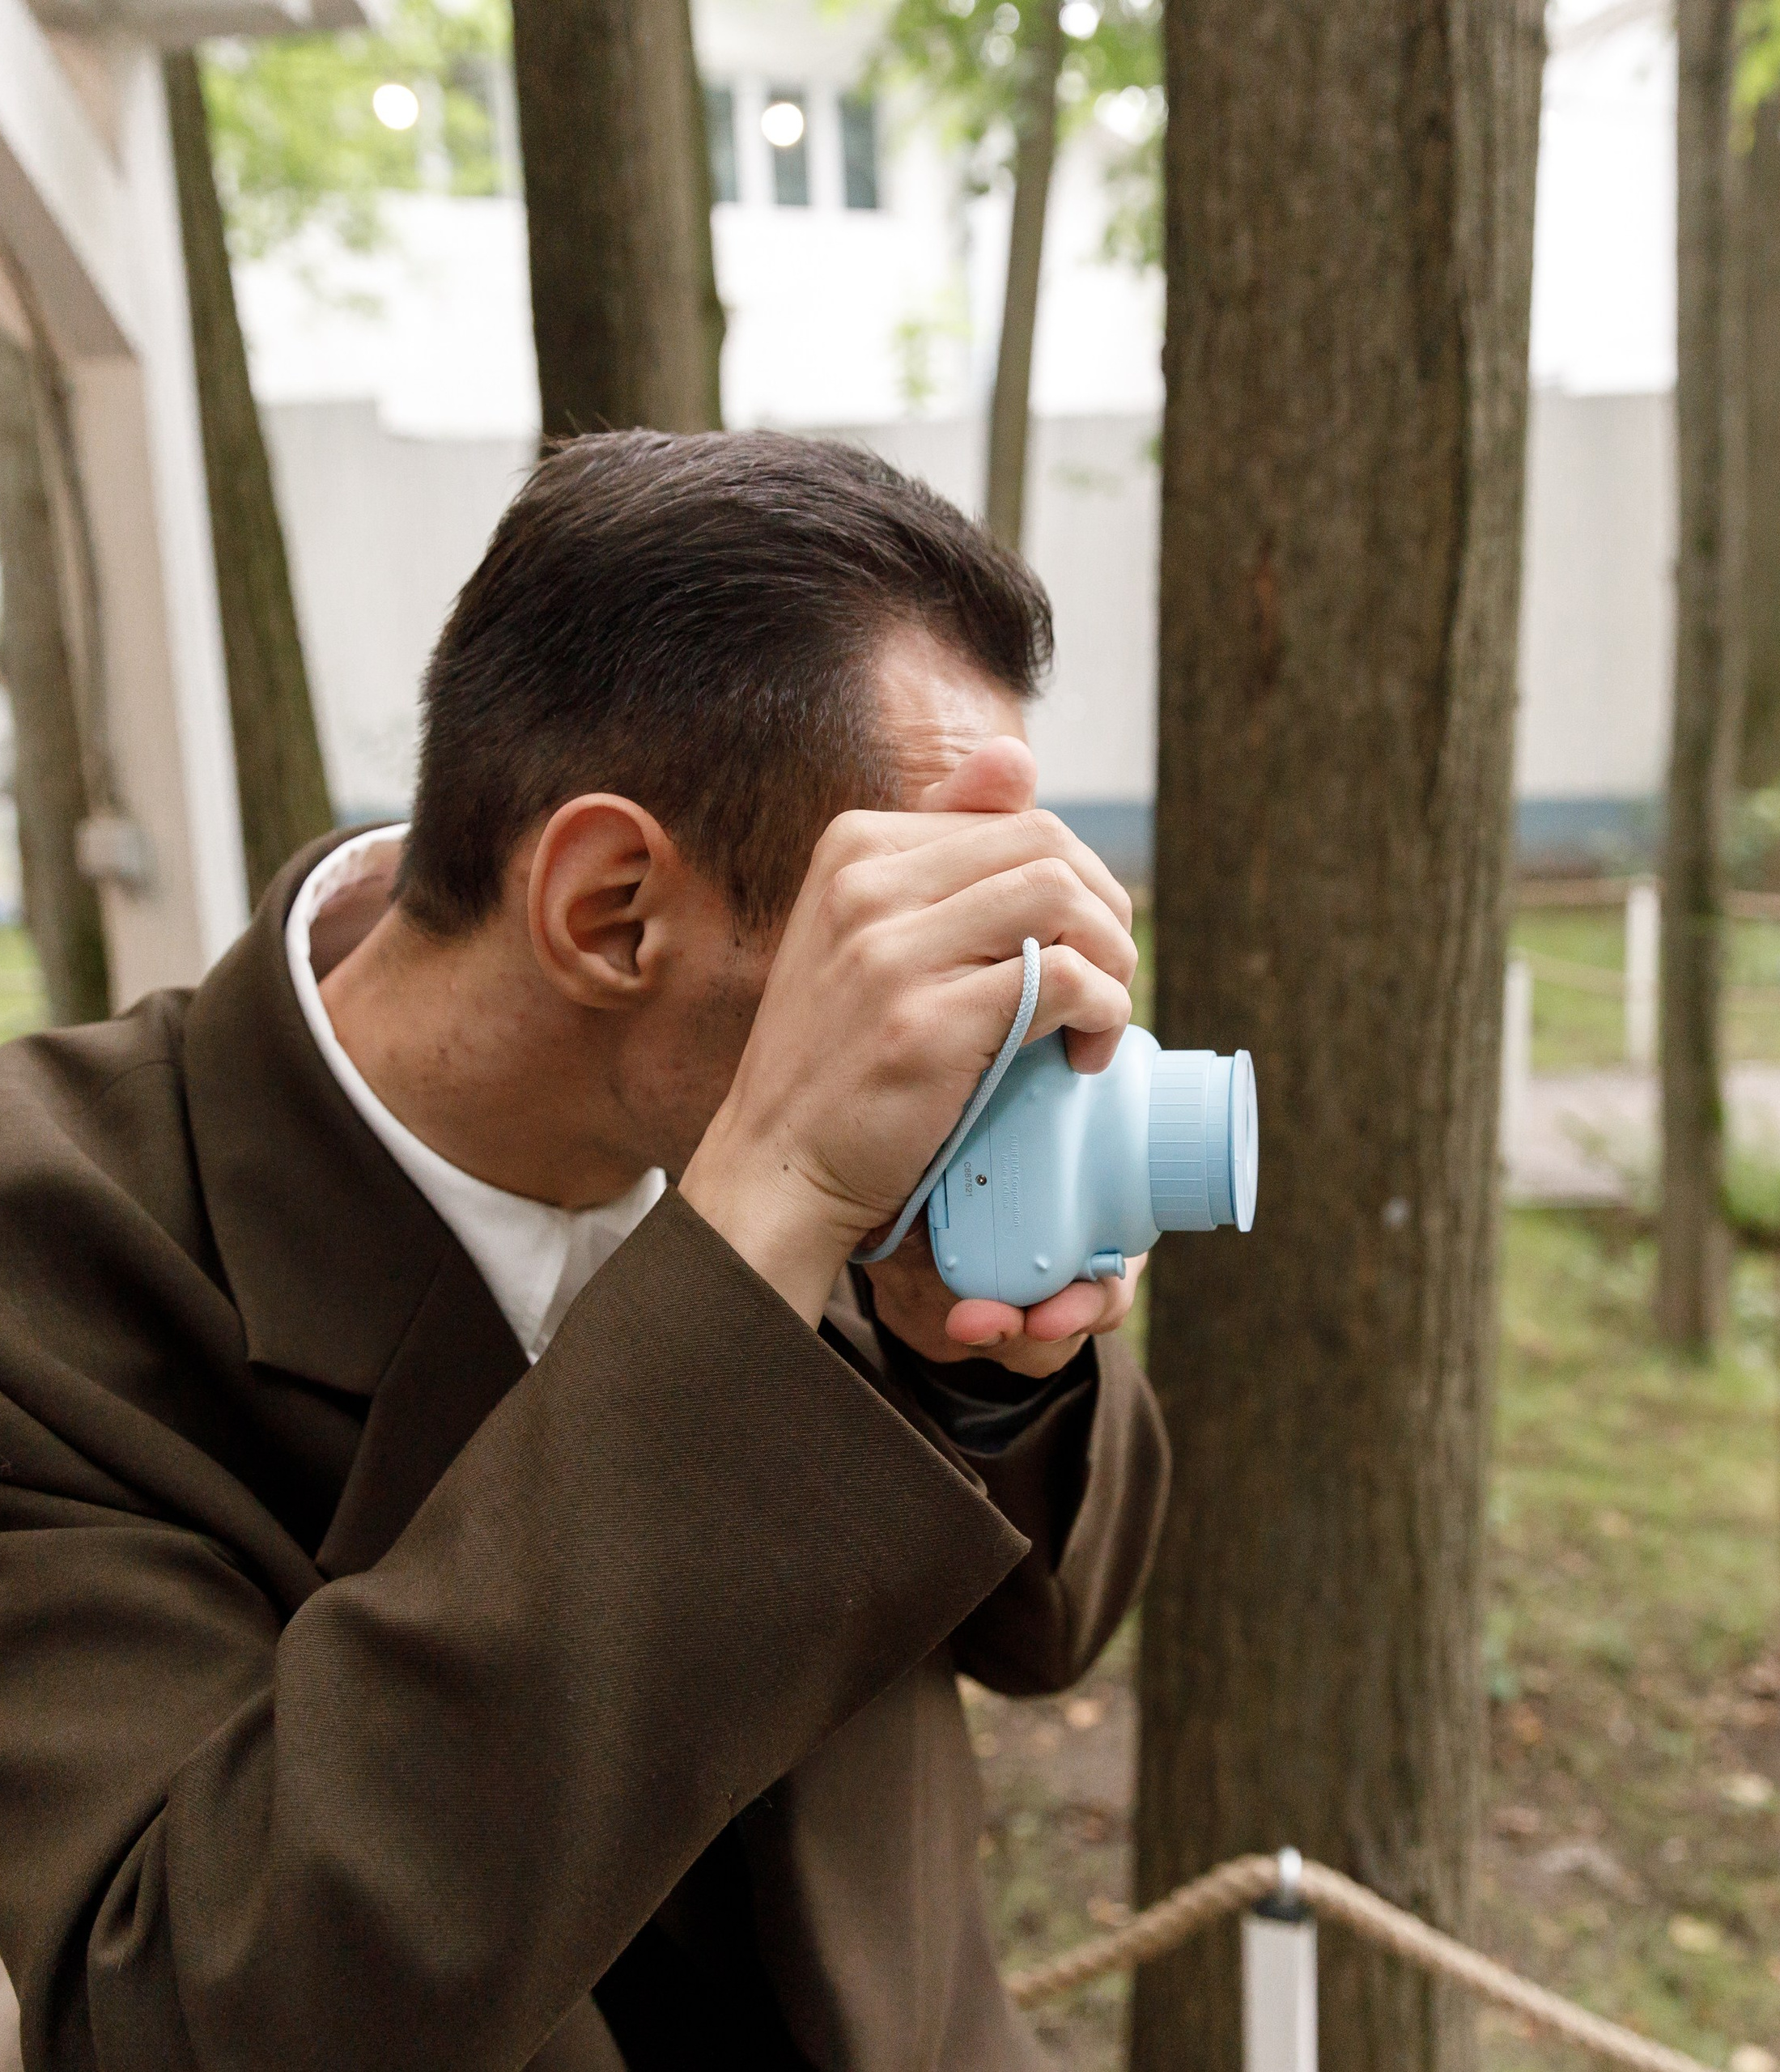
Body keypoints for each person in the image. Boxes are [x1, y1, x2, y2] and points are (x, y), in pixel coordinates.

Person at [0, 431, 1169, 2072]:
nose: (959, 996)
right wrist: (751, 1234)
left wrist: (976, 1368)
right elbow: (193, 2009)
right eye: (890, 918)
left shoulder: (771, 1088)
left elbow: (1052, 1626)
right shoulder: (49, 1254)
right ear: (614, 907)